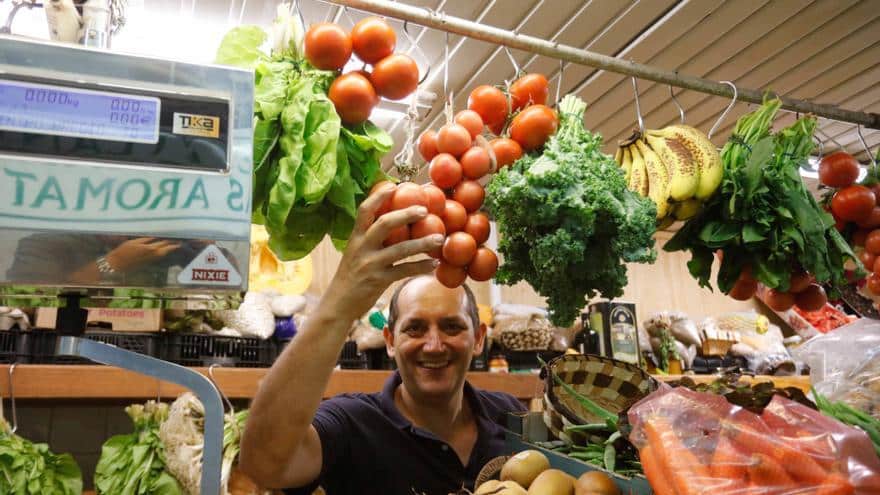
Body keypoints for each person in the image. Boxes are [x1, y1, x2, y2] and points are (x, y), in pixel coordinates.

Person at [239, 184, 526, 494]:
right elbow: (264, 464)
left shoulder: (507, 415)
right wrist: (339, 304)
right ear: (389, 340)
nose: (433, 345)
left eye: (452, 327)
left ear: (479, 338)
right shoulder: (352, 423)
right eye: (414, 328)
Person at [6, 234, 211, 286]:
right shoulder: (45, 243)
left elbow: (228, 293)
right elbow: (28, 303)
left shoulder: (160, 244)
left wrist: (209, 251)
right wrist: (113, 262)